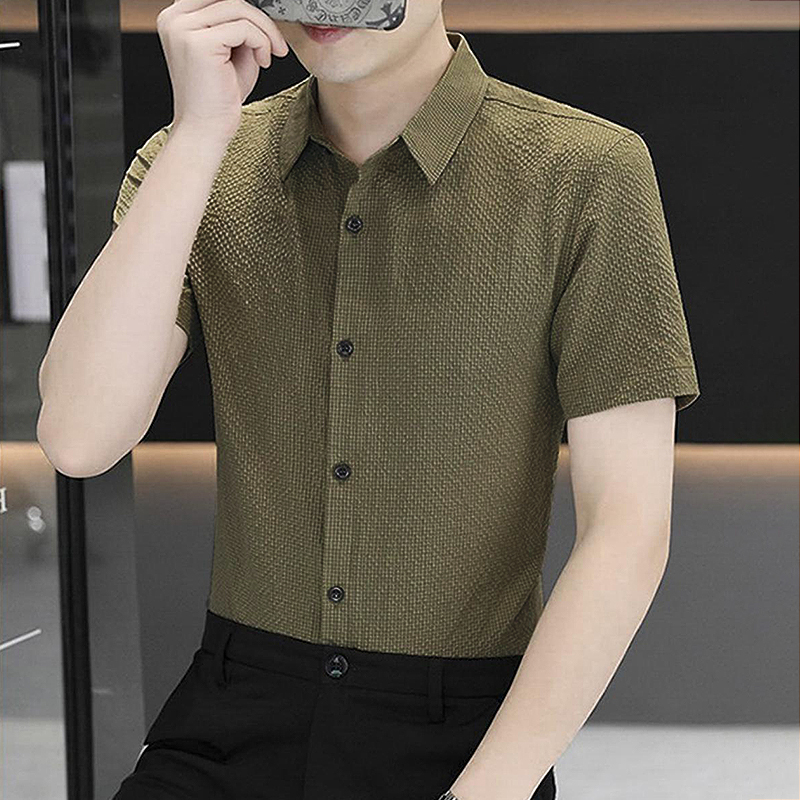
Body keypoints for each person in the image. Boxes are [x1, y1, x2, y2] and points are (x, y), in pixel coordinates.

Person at [36, 0, 700, 798]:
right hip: (228, 712)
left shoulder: (585, 171)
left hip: (457, 738)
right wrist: (200, 135)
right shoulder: (196, 162)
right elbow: (79, 437)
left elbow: (628, 530)